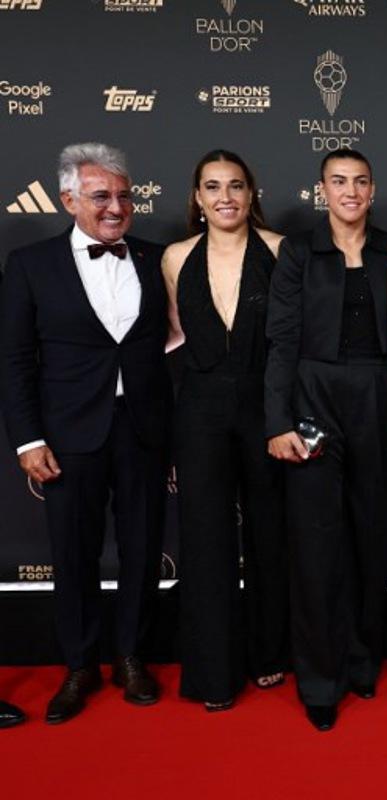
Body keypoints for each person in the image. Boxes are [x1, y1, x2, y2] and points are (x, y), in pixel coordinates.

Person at [1, 143, 170, 724]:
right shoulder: (31, 265)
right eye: (101, 196)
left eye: (124, 195)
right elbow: (16, 360)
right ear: (69, 199)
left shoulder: (156, 259)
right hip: (68, 434)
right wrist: (28, 440)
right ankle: (79, 666)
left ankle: (131, 657)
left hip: (144, 429)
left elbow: (169, 349)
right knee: (73, 555)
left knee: (144, 549)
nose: (116, 206)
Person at [264, 149, 387, 731]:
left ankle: (362, 663)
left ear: (373, 190)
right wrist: (277, 421)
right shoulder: (298, 249)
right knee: (317, 547)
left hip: (378, 393)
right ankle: (320, 680)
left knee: (371, 535)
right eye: (339, 181)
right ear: (321, 189)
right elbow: (281, 339)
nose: (350, 191)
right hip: (313, 397)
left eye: (360, 181)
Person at [162, 150, 288, 712]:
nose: (225, 197)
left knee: (269, 533)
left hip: (266, 405)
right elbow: (171, 340)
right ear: (197, 198)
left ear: (251, 192)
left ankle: (269, 654)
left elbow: (292, 341)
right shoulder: (174, 257)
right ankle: (213, 673)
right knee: (206, 539)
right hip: (200, 409)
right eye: (212, 187)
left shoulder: (282, 251)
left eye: (236, 185)